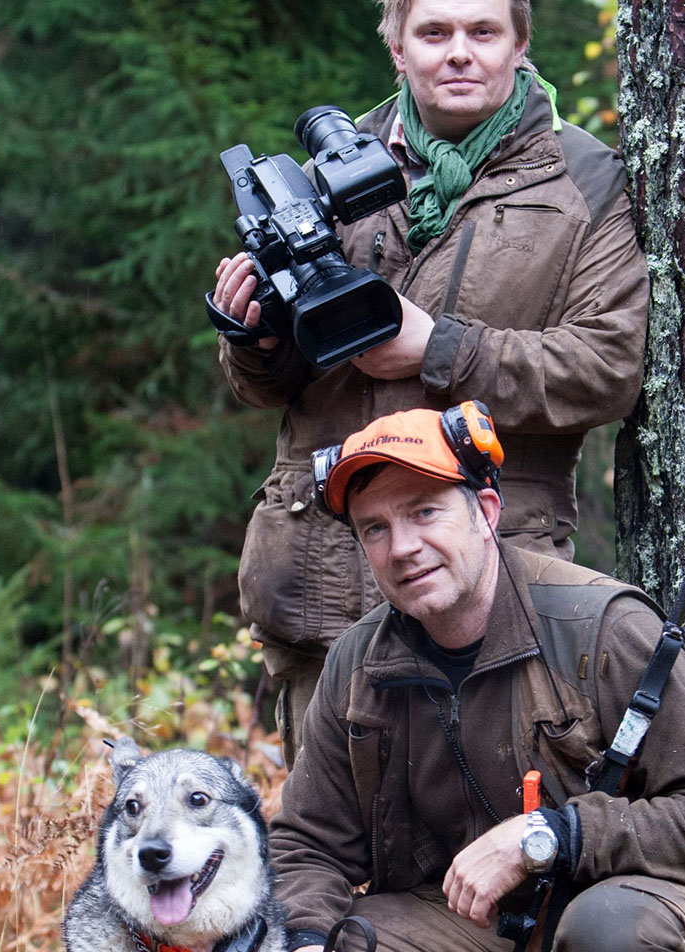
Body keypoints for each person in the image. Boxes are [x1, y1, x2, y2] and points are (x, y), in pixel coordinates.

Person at [213, 0, 650, 765]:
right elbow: (267, 385)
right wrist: (253, 335)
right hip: (324, 578)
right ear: (397, 47)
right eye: (434, 32)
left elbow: (607, 368)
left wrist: (439, 350)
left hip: (488, 582)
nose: (458, 53)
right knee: (326, 827)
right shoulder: (317, 178)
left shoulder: (583, 181)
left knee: (494, 823)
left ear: (519, 44)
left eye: (483, 32)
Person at [268, 404, 685, 952]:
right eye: (375, 529)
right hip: (478, 922)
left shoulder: (605, 629)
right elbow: (306, 846)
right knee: (341, 941)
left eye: (425, 512)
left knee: (609, 928)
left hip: (636, 893)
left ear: (486, 512)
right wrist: (305, 938)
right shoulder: (359, 664)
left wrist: (550, 835)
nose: (402, 548)